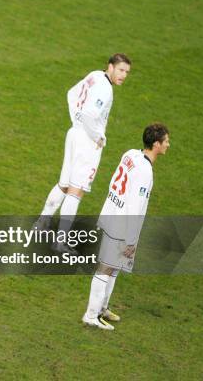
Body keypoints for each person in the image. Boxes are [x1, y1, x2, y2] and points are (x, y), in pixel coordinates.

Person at [36, 54, 132, 255]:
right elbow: (90, 114)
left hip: (74, 134)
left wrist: (76, 121)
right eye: (121, 70)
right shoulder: (105, 89)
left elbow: (71, 93)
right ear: (111, 67)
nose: (124, 75)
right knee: (76, 190)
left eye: (127, 72)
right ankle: (60, 242)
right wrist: (97, 136)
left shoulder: (95, 75)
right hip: (87, 142)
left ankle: (41, 224)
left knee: (64, 184)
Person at [82, 123, 170, 330]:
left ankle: (102, 307)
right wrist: (132, 239)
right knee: (106, 268)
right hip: (120, 223)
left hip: (111, 213)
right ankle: (91, 315)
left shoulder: (131, 154)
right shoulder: (145, 172)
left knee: (114, 267)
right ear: (156, 144)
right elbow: (134, 205)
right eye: (166, 141)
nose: (168, 144)